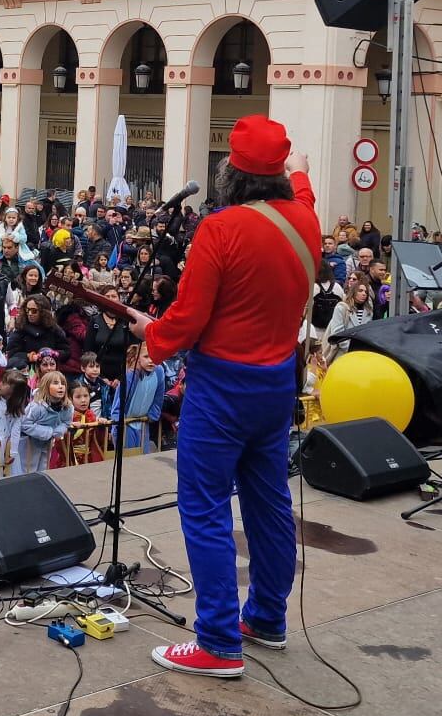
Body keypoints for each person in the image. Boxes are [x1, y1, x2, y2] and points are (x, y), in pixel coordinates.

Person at [128, 116, 320, 678]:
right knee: (269, 503)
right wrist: (298, 173)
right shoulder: (304, 220)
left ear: (231, 173)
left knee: (205, 506)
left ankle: (216, 641)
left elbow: (186, 321)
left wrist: (150, 335)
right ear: (280, 176)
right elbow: (303, 187)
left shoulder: (220, 230)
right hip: (276, 382)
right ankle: (265, 617)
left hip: (222, 387)